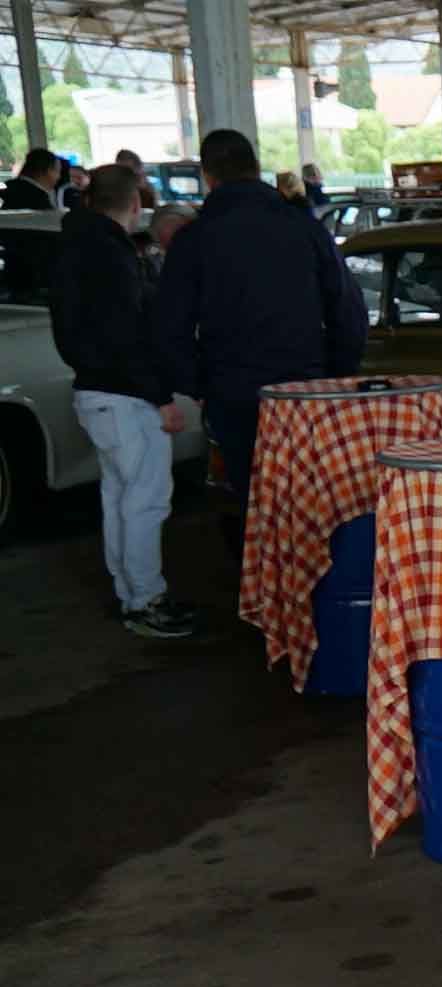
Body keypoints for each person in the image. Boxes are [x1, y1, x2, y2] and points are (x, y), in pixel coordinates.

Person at [154, 130, 368, 556]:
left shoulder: (195, 241)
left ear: (208, 176)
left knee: (256, 504)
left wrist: (201, 382)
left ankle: (266, 605)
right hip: (306, 393)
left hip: (234, 395)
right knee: (313, 502)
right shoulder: (305, 229)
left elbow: (169, 327)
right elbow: (348, 312)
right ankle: (314, 603)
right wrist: (333, 377)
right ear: (257, 169)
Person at [52, 164, 193, 640]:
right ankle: (147, 599)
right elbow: (126, 336)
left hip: (94, 394)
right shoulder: (110, 255)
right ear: (135, 205)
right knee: (146, 502)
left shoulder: (76, 245)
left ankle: (131, 594)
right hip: (125, 398)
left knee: (119, 498)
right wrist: (161, 398)